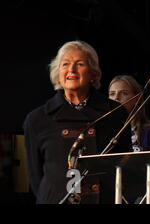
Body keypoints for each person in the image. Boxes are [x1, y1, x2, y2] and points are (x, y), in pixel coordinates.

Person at [23, 41, 131, 204]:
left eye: (79, 64)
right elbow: (35, 176)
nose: (71, 70)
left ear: (93, 73)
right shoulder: (37, 119)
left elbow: (125, 166)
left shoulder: (115, 113)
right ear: (57, 71)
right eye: (65, 64)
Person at [108, 75, 150, 151]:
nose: (116, 98)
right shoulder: (104, 131)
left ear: (137, 98)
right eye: (112, 94)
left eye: (124, 93)